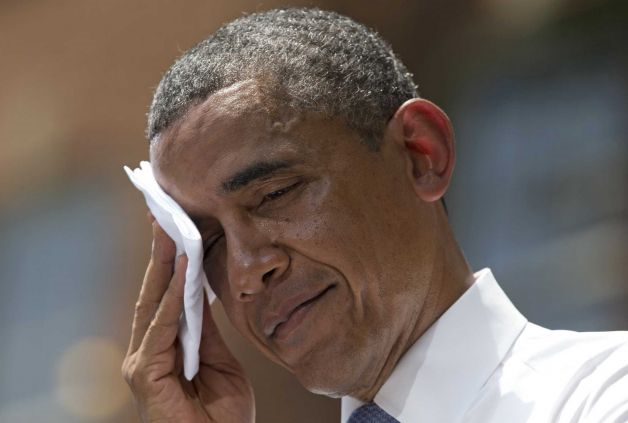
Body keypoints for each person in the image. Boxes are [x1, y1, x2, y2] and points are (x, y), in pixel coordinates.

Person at [121, 8, 628, 423]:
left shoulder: (602, 397)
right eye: (208, 243)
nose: (245, 272)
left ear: (420, 155)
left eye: (274, 194)